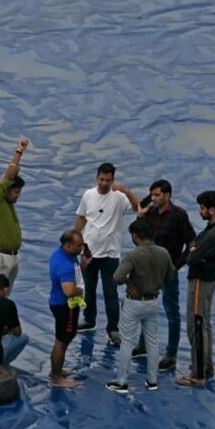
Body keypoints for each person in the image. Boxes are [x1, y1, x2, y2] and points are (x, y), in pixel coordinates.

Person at [129, 179, 196, 371]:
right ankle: (142, 345)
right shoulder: (149, 213)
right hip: (148, 268)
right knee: (144, 306)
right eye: (152, 195)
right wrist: (140, 217)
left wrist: (178, 265)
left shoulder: (179, 215)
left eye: (157, 195)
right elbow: (137, 238)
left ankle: (171, 354)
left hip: (167, 270)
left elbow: (192, 241)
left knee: (171, 311)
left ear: (167, 195)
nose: (153, 198)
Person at [106, 220, 176, 394]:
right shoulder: (164, 253)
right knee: (152, 343)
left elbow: (116, 277)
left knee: (127, 342)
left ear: (135, 236)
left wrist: (129, 282)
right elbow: (171, 276)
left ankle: (121, 381)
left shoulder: (134, 255)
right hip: (152, 302)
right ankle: (152, 381)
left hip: (134, 302)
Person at [73, 162, 140, 346]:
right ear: (97, 178)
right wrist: (73, 238)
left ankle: (113, 329)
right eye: (101, 179)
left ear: (113, 180)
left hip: (110, 255)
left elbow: (137, 207)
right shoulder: (88, 195)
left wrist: (125, 190)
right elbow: (81, 218)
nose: (104, 183)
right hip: (89, 252)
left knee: (110, 293)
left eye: (108, 180)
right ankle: (89, 320)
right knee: (89, 289)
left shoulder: (119, 197)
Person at [175, 190, 215, 388]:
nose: (200, 211)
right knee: (204, 325)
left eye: (202, 208)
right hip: (206, 279)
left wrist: (193, 251)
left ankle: (198, 374)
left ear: (212, 210)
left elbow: (192, 257)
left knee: (196, 325)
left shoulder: (214, 232)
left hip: (201, 281)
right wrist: (194, 249)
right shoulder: (214, 228)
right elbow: (193, 247)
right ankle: (207, 367)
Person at [0, 138, 29, 295]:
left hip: (11, 258)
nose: (18, 196)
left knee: (3, 298)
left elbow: (13, 175)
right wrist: (19, 152)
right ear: (6, 190)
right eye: (16, 192)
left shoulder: (7, 204)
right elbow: (9, 176)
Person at [48, 229, 87, 388]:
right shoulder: (64, 265)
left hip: (61, 304)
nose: (82, 248)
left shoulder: (63, 255)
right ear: (68, 246)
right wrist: (82, 289)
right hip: (64, 307)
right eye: (79, 245)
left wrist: (84, 264)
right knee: (62, 341)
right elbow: (69, 290)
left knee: (65, 338)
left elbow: (75, 272)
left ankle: (57, 370)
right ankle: (56, 377)